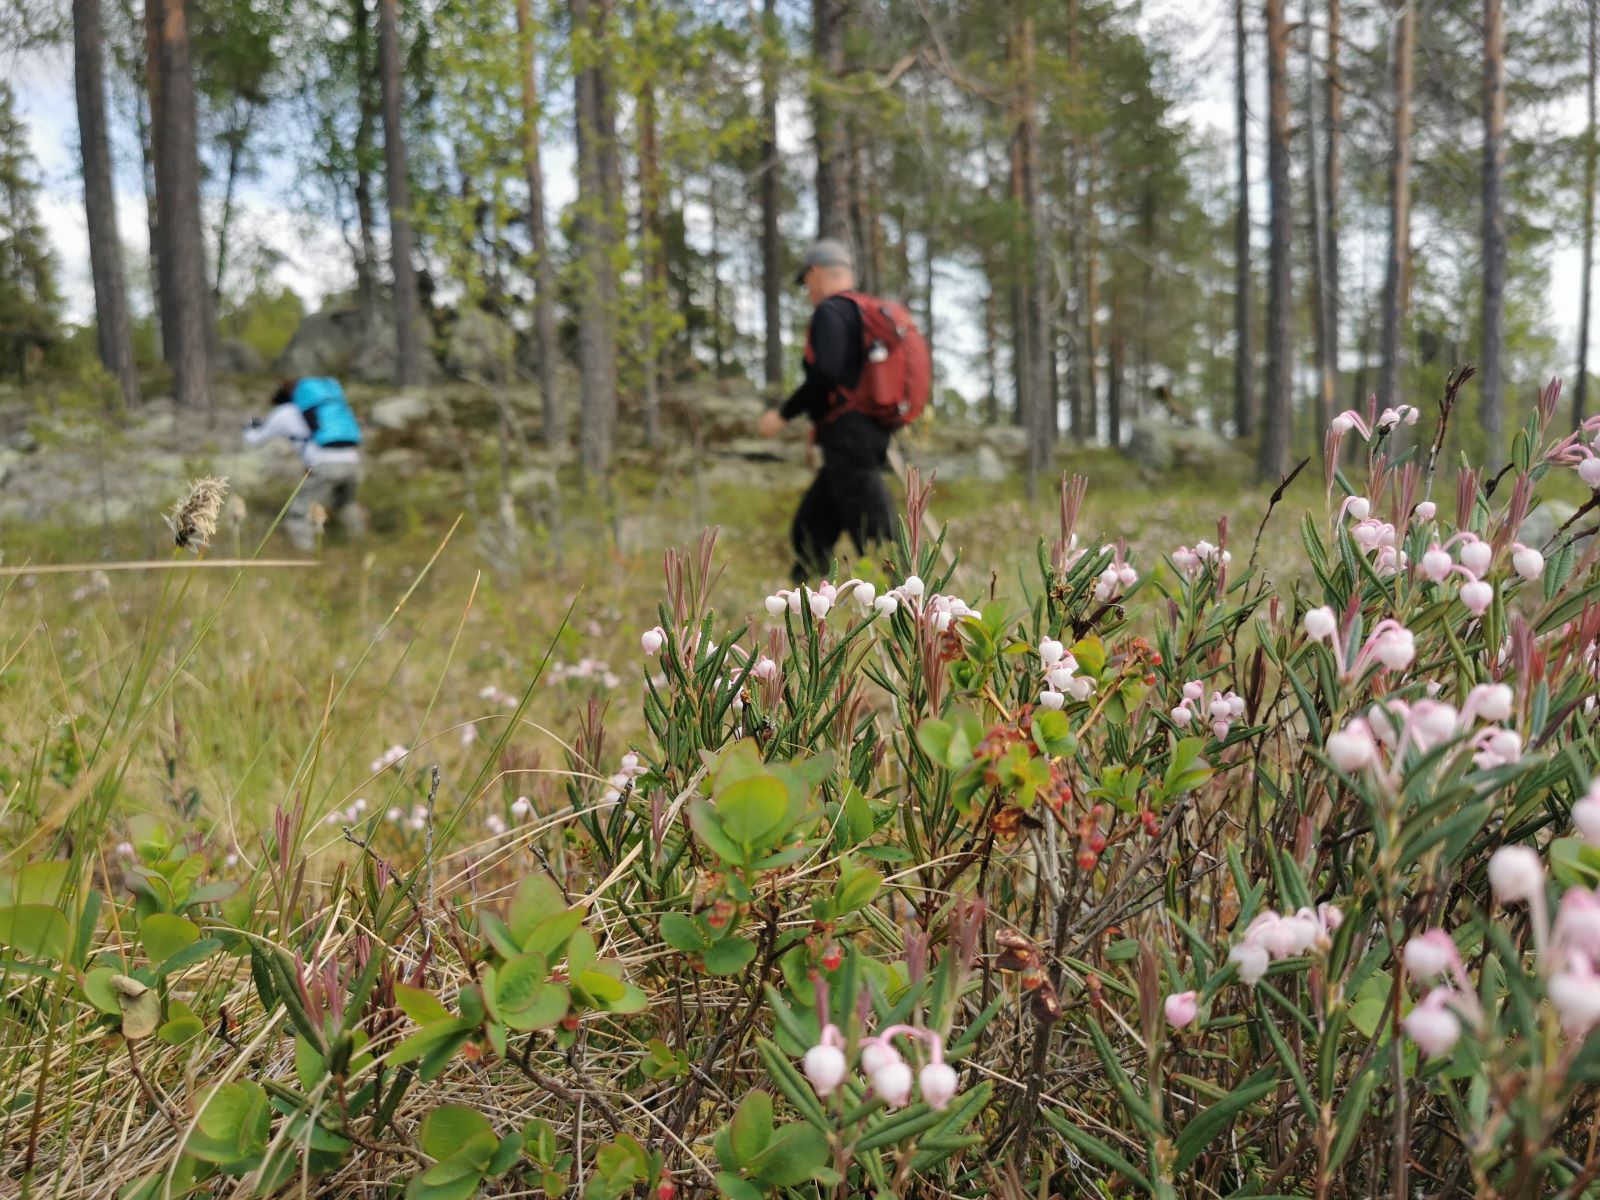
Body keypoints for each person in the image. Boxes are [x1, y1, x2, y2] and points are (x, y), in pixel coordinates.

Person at [759, 238, 898, 583]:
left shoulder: (831, 312)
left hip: (849, 437)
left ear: (817, 273)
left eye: (806, 282)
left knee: (878, 539)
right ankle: (807, 601)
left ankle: (903, 607)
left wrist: (784, 414)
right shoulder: (863, 313)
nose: (807, 291)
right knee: (810, 528)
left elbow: (827, 372)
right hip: (861, 433)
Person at [244, 377, 367, 551]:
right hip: (352, 463)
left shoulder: (284, 412)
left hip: (324, 465)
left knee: (298, 513)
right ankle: (361, 546)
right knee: (346, 506)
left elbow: (255, 439)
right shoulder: (330, 408)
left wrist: (250, 427)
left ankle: (306, 554)